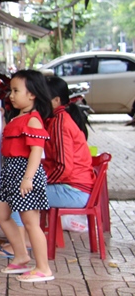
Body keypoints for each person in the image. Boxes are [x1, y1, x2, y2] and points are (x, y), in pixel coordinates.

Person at [0, 70, 54, 282]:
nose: (11, 94)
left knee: (31, 223)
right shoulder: (19, 117)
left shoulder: (34, 120)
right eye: (11, 90)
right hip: (12, 173)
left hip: (24, 174)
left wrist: (27, 178)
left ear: (32, 95)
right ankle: (20, 256)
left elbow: (36, 151)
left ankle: (43, 267)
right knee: (0, 213)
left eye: (16, 90)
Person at [42, 75, 95, 208]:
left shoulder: (60, 123)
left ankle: (24, 230)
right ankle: (25, 229)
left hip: (74, 190)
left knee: (17, 195)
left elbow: (63, 167)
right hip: (73, 187)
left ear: (56, 100)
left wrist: (41, 181)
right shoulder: (57, 119)